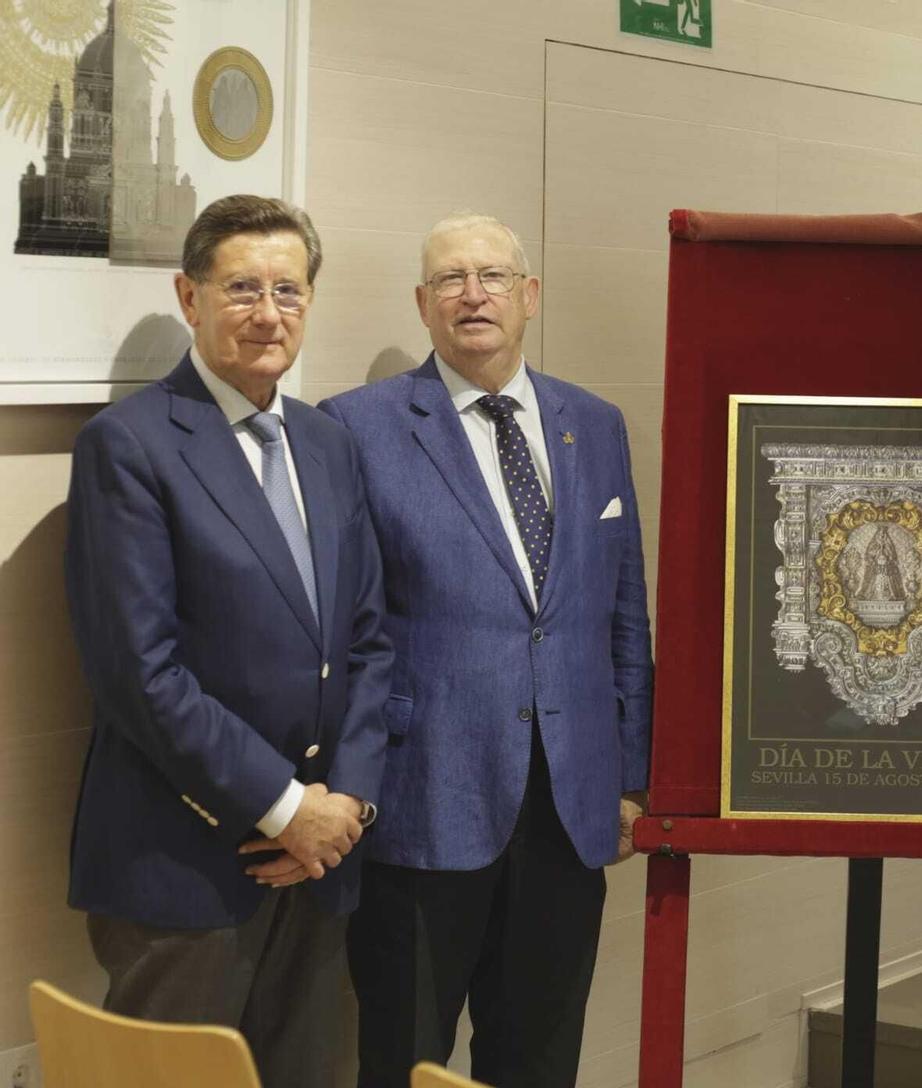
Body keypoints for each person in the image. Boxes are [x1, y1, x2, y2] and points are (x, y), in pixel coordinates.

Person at [63, 195, 392, 1088]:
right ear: (188, 296)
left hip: (322, 868)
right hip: (184, 867)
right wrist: (286, 808)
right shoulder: (127, 448)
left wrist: (346, 807)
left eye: (288, 290)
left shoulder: (328, 444)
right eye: (241, 287)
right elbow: (139, 675)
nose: (267, 313)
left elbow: (367, 642)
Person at [321, 212, 654, 1088]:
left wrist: (631, 774)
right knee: (403, 1058)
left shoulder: (597, 423)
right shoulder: (356, 428)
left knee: (540, 1061)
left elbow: (624, 614)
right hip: (423, 799)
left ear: (529, 296)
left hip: (569, 809)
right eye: (451, 281)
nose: (473, 296)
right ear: (423, 305)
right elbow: (343, 632)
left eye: (493, 277)